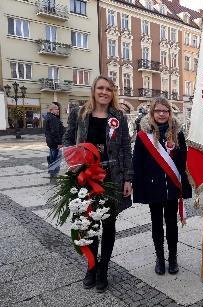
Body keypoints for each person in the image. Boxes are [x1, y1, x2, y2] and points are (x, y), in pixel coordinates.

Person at [63, 76, 133, 293]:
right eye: (100, 88)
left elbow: (125, 148)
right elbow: (67, 140)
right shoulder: (79, 113)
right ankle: (91, 267)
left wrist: (129, 178)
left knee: (109, 225)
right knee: (89, 225)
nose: (104, 92)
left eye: (109, 89)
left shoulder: (118, 116)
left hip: (112, 178)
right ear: (93, 90)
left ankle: (103, 269)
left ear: (113, 93)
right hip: (85, 178)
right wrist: (72, 160)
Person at [132, 97, 191, 275]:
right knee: (156, 223)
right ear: (152, 112)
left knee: (172, 224)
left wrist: (177, 149)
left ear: (169, 113)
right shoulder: (144, 135)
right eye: (158, 110)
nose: (162, 114)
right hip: (153, 186)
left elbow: (184, 160)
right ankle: (160, 257)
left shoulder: (177, 132)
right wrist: (138, 185)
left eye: (165, 111)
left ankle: (172, 258)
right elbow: (138, 161)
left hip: (172, 186)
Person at [44, 102, 64, 179]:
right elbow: (55, 131)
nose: (58, 110)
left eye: (58, 109)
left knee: (52, 158)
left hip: (51, 142)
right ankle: (54, 175)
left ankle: (52, 174)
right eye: (56, 109)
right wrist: (59, 142)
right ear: (51, 110)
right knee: (56, 159)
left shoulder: (47, 117)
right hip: (55, 143)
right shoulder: (53, 118)